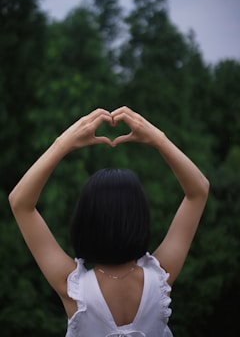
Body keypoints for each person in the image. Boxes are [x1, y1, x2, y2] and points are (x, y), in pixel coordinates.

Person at [8, 106, 209, 337]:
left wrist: (63, 143)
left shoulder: (74, 290)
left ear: (84, 222)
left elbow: (20, 202)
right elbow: (198, 191)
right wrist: (159, 140)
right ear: (140, 219)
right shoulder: (161, 279)